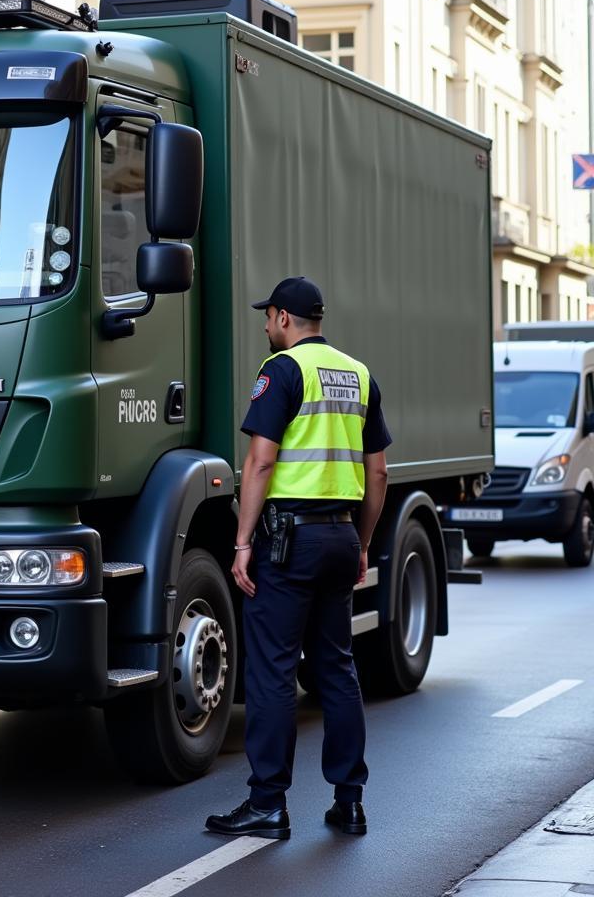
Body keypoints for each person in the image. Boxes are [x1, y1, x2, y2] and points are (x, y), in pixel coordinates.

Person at [205, 276, 391, 840]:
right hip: (339, 536)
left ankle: (267, 804)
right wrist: (360, 545)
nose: (265, 327)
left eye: (268, 318)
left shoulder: (281, 371)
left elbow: (260, 464)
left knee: (273, 671)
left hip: (288, 542)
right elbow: (378, 472)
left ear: (285, 318)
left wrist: (241, 543)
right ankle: (349, 801)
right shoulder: (359, 374)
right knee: (337, 668)